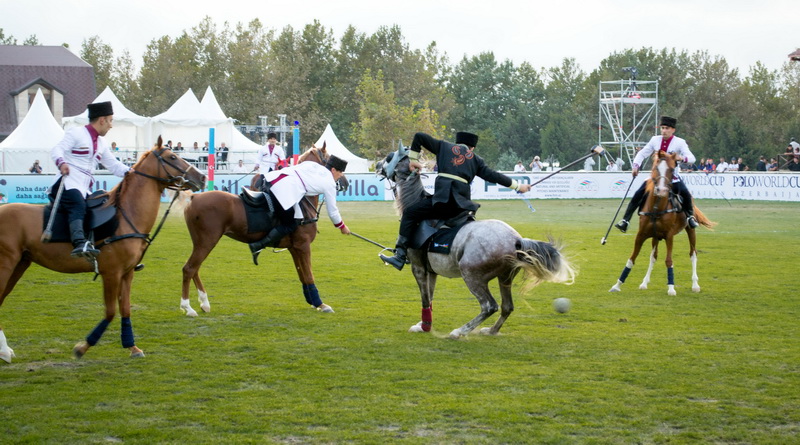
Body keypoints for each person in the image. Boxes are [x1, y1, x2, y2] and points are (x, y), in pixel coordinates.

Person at [380, 131, 532, 270]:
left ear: (457, 143)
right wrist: (519, 186)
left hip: (443, 203)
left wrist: (413, 160)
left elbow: (419, 136)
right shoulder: (476, 160)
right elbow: (494, 176)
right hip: (463, 208)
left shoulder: (444, 147)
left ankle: (400, 255)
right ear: (472, 148)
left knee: (410, 213)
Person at [50, 101, 131, 258]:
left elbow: (114, 165)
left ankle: (113, 251)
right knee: (77, 204)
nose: (111, 125)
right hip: (67, 184)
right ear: (102, 120)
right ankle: (79, 243)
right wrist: (62, 163)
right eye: (110, 120)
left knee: (104, 205)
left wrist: (132, 172)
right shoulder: (76, 133)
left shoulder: (102, 143)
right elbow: (57, 149)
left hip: (84, 189)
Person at [248, 154, 351, 264]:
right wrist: (342, 227)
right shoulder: (329, 183)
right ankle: (258, 245)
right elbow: (333, 211)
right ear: (334, 170)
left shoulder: (312, 164)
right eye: (340, 172)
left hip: (270, 179)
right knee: (291, 224)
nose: (340, 176)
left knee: (293, 215)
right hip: (281, 189)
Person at [615, 116, 698, 233]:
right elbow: (642, 154)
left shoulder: (680, 142)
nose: (664, 130)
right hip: (654, 178)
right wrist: (636, 166)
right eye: (662, 128)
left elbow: (692, 158)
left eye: (667, 128)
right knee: (638, 194)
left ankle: (690, 217)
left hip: (672, 178)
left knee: (686, 194)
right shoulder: (655, 140)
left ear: (673, 130)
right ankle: (625, 221)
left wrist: (681, 158)